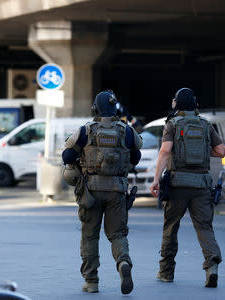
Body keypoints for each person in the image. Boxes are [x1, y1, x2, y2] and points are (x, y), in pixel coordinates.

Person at [62, 90, 143, 295]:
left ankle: (92, 281)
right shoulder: (127, 131)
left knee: (90, 236)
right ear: (115, 108)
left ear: (95, 109)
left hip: (91, 190)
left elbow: (67, 155)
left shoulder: (86, 130)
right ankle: (123, 262)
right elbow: (136, 157)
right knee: (117, 234)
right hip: (116, 190)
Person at [149, 88, 225, 288]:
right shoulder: (205, 124)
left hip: (178, 184)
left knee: (171, 227)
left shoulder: (173, 124)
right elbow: (220, 151)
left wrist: (156, 179)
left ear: (177, 104)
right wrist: (200, 150)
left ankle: (166, 272)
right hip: (201, 184)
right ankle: (212, 266)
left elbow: (165, 152)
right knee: (204, 227)